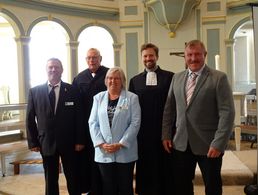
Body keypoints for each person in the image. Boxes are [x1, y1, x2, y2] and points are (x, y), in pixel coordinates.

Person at [162, 39, 235, 195]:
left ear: (205, 55)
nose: (193, 58)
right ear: (185, 56)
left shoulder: (218, 78)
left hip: (209, 144)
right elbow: (169, 109)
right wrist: (166, 134)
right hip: (181, 143)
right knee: (182, 185)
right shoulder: (177, 77)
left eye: (197, 54)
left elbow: (227, 112)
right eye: (189, 55)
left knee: (212, 185)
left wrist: (219, 143)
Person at [26, 58, 85, 195]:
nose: (53, 70)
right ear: (46, 69)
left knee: (73, 177)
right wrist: (33, 142)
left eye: (56, 67)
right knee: (50, 178)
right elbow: (29, 119)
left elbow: (79, 117)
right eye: (50, 67)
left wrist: (80, 140)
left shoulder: (72, 90)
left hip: (70, 143)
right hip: (46, 142)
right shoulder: (34, 92)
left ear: (62, 70)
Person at [129, 43, 174, 195]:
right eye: (145, 56)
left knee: (164, 164)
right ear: (142, 58)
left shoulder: (169, 77)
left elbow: (173, 104)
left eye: (151, 55)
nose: (148, 58)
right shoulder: (135, 81)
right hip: (142, 132)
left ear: (157, 57)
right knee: (145, 164)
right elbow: (130, 107)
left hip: (164, 130)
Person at [88, 67, 141, 195]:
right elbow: (92, 122)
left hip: (125, 151)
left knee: (125, 187)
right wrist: (101, 143)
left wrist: (121, 143)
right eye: (110, 78)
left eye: (117, 78)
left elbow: (135, 123)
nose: (113, 81)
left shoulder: (132, 98)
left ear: (122, 81)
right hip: (104, 151)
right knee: (108, 187)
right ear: (106, 80)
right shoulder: (98, 98)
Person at [72, 48, 109, 194]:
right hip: (85, 126)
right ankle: (90, 189)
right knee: (87, 159)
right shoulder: (79, 78)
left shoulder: (109, 74)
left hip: (106, 125)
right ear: (86, 60)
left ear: (100, 58)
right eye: (89, 58)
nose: (92, 60)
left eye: (95, 57)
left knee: (104, 158)